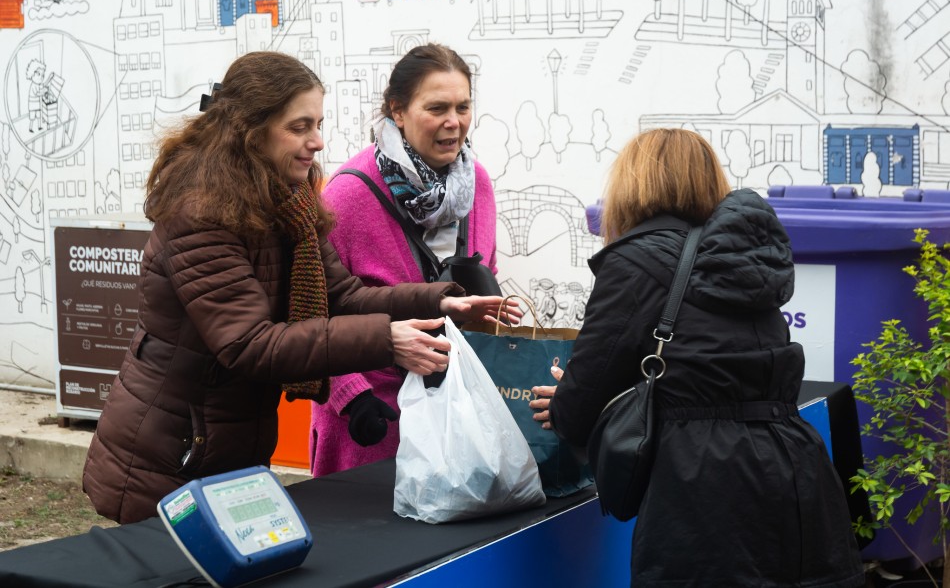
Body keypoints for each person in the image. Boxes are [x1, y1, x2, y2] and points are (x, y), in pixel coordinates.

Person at [81, 51, 510, 524]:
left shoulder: (288, 199)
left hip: (228, 443)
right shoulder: (200, 213)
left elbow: (343, 297)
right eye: (300, 127)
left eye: (318, 124)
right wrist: (387, 340)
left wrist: (441, 301)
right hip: (169, 456)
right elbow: (250, 344)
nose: (318, 141)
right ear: (250, 130)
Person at [529, 129, 864, 586]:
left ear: (633, 184)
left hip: (702, 487)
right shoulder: (745, 256)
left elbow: (583, 400)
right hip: (798, 471)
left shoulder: (635, 261)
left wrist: (563, 400)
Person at [309, 43, 498, 477]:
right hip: (373, 423)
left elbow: (487, 270)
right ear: (397, 110)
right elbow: (311, 313)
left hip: (459, 416)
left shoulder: (477, 183)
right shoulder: (347, 195)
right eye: (437, 108)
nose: (454, 122)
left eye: (463, 106)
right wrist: (352, 397)